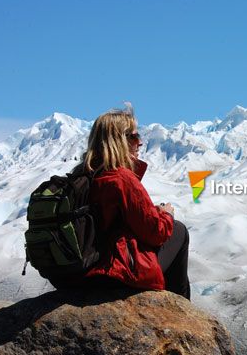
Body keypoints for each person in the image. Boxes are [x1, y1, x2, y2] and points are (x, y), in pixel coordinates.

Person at [76, 105, 191, 300]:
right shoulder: (121, 178)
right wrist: (166, 214)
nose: (140, 143)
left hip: (79, 273)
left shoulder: (83, 174)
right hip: (111, 273)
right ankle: (181, 308)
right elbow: (156, 232)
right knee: (178, 231)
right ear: (119, 140)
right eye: (135, 137)